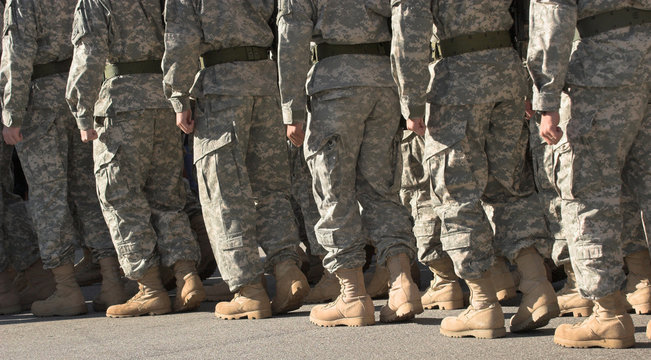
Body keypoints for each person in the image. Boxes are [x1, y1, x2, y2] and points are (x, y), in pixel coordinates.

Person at [391, 0, 557, 338]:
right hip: (508, 74)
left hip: (458, 82)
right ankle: (537, 285)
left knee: (456, 193)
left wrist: (411, 99)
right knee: (510, 187)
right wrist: (530, 79)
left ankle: (482, 304)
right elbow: (532, 14)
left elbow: (410, 26)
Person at [278, 0, 422, 327]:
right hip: (384, 82)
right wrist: (409, 92)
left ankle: (353, 295)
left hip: (334, 87)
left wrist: (292, 109)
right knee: (381, 190)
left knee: (334, 192)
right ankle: (402, 285)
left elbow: (292, 35)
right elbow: (408, 18)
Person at [163, 0, 309, 319]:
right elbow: (286, 27)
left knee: (224, 192)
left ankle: (249, 290)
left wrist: (178, 94)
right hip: (266, 82)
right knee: (271, 190)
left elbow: (182, 36)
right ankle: (287, 272)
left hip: (221, 87)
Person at [66, 0, 205, 317]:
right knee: (168, 197)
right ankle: (187, 276)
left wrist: (82, 110)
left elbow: (89, 56)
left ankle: (150, 289)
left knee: (121, 198)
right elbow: (182, 40)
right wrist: (179, 93)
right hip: (163, 100)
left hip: (121, 105)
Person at [527, 1, 650, 349]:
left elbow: (553, 15)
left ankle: (608, 315)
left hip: (602, 72)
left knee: (587, 190)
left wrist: (546, 97)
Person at [1, 0, 123, 316]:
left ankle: (65, 288)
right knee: (88, 192)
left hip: (39, 103)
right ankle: (111, 280)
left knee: (47, 197)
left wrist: (11, 113)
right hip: (80, 95)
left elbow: (17, 55)